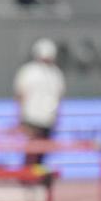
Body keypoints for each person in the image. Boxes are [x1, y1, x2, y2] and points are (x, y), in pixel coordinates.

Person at [13, 38, 66, 167]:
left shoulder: (55, 74)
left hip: (47, 119)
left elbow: (58, 97)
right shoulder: (29, 71)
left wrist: (57, 116)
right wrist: (20, 117)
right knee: (31, 151)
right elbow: (21, 95)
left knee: (42, 152)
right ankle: (26, 178)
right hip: (32, 119)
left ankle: (37, 178)